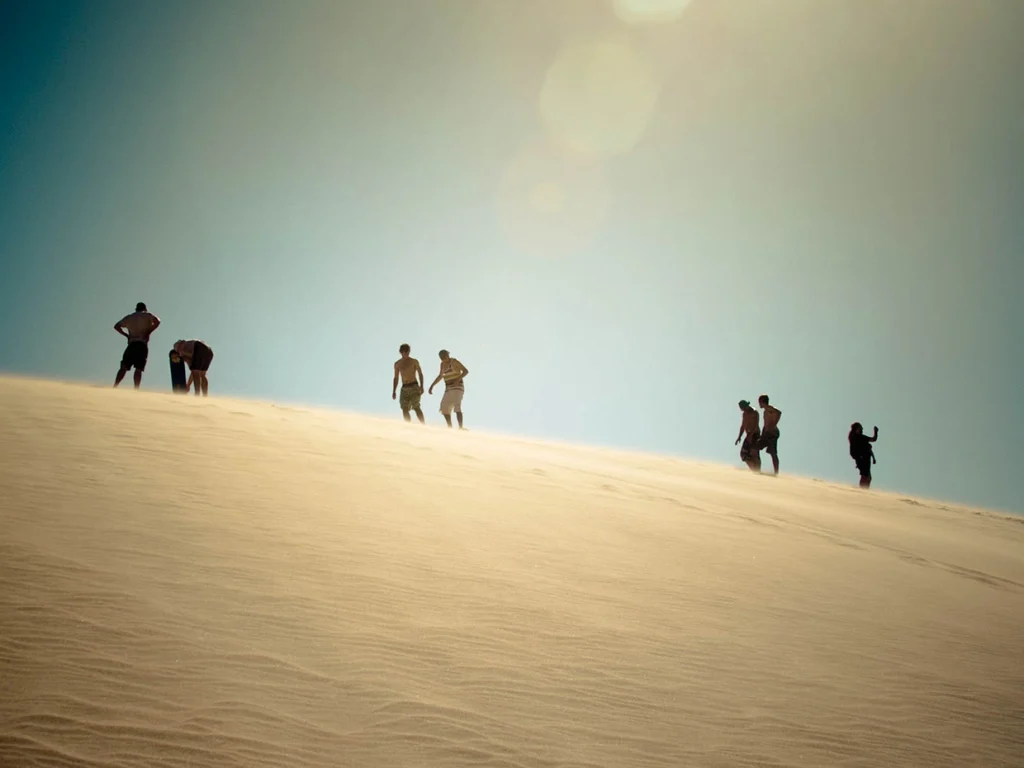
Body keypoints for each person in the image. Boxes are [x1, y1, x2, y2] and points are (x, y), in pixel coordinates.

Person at [113, 302, 161, 389]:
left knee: (124, 367)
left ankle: (115, 385)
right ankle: (136, 388)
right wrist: (149, 332)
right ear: (145, 308)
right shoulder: (147, 315)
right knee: (139, 368)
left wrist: (126, 335)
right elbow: (158, 321)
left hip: (132, 343)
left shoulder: (130, 317)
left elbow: (116, 326)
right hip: (141, 344)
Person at [428, 349, 469, 429]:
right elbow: (440, 376)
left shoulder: (454, 361)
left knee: (457, 406)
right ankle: (449, 427)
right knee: (444, 407)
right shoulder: (442, 364)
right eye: (442, 358)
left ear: (448, 355)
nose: (443, 359)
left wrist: (458, 379)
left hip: (458, 387)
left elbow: (465, 371)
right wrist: (432, 385)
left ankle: (460, 427)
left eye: (445, 357)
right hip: (448, 388)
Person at [392, 343, 425, 423]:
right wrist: (394, 391)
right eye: (405, 352)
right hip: (404, 388)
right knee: (404, 408)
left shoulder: (414, 361)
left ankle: (423, 424)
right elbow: (396, 378)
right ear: (401, 352)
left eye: (408, 352)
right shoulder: (397, 364)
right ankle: (408, 425)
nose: (407, 354)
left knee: (416, 406)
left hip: (414, 386)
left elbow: (420, 373)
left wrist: (421, 386)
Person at [758, 394, 783, 475]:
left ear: (762, 402)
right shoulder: (765, 411)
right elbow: (765, 425)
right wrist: (762, 435)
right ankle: (757, 469)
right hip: (766, 433)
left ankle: (776, 472)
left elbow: (779, 412)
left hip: (773, 434)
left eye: (759, 402)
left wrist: (774, 424)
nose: (759, 404)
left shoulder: (769, 409)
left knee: (773, 453)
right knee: (756, 447)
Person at [849, 422, 879, 488]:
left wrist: (873, 458)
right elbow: (873, 439)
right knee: (865, 476)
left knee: (868, 477)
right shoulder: (855, 438)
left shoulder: (860, 437)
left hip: (865, 459)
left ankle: (864, 490)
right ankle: (861, 490)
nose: (862, 429)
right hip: (862, 460)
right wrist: (876, 431)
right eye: (860, 428)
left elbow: (870, 446)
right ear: (856, 429)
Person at [735, 400, 761, 472]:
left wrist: (751, 435)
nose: (742, 409)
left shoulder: (754, 412)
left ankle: (758, 470)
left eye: (742, 407)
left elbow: (756, 425)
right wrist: (739, 437)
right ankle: (754, 469)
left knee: (754, 453)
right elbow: (743, 426)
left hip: (755, 434)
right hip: (748, 435)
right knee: (743, 454)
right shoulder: (744, 414)